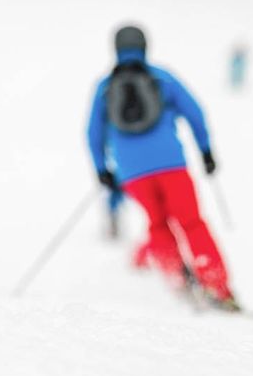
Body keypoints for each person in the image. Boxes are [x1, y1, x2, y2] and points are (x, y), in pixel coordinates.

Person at [86, 25, 236, 310]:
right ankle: (217, 286)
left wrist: (102, 169)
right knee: (191, 222)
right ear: (144, 46)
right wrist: (205, 150)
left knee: (158, 224)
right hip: (172, 166)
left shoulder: (105, 87)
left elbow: (93, 134)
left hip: (132, 173)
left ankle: (179, 282)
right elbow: (195, 112)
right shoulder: (162, 78)